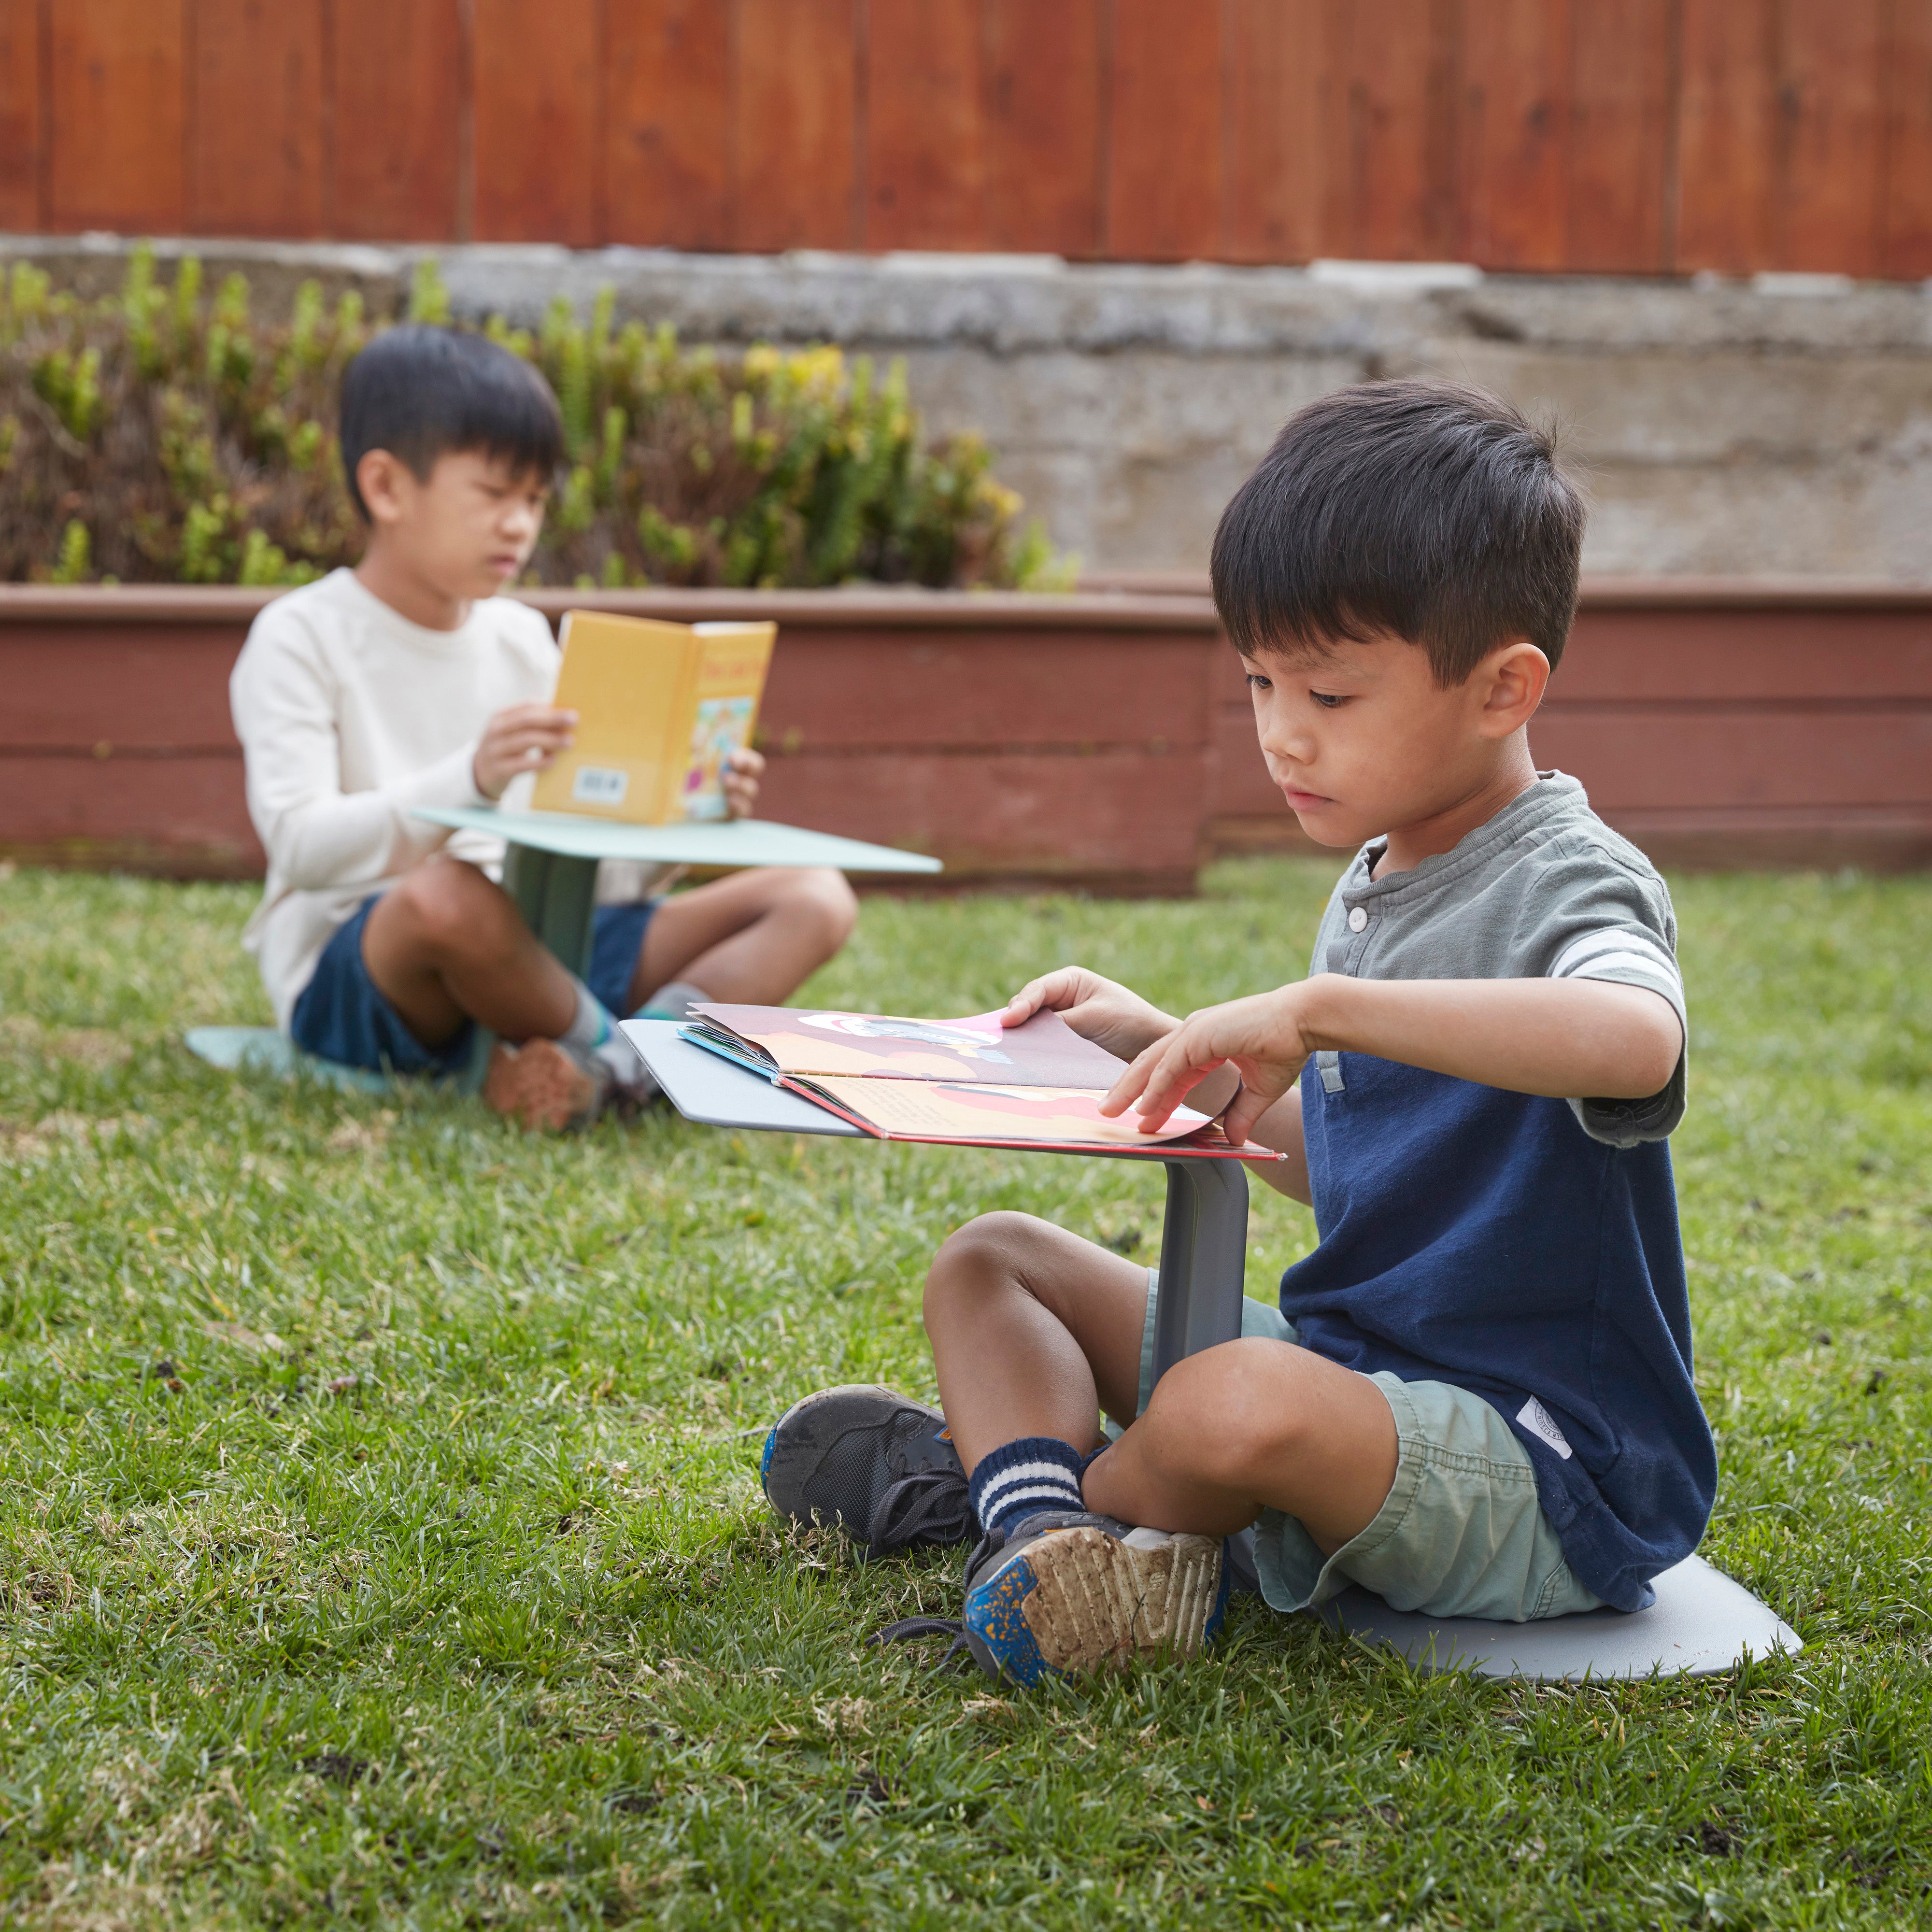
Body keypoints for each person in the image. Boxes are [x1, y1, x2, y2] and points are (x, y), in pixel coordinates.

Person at [759, 380, 1717, 1686]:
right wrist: (1168, 1049)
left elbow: (1634, 1040)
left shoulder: (1575, 879)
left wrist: (1316, 1010)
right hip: (1357, 1386)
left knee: (1234, 1401)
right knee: (994, 1264)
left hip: (1546, 1467)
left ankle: (1022, 1491)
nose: (1279, 734)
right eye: (1260, 680)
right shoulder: (1385, 871)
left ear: (1502, 689)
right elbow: (1362, 1169)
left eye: (1329, 695)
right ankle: (1044, 1537)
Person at [230, 325, 856, 1130]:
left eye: (534, 500)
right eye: (493, 495)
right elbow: (302, 847)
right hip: (375, 974)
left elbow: (588, 865)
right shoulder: (301, 636)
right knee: (447, 895)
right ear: (387, 488)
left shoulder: (523, 638)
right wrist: (471, 778)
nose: (520, 525)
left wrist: (689, 811)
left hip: (542, 946)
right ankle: (621, 1060)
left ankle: (622, 1075)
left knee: (816, 895)